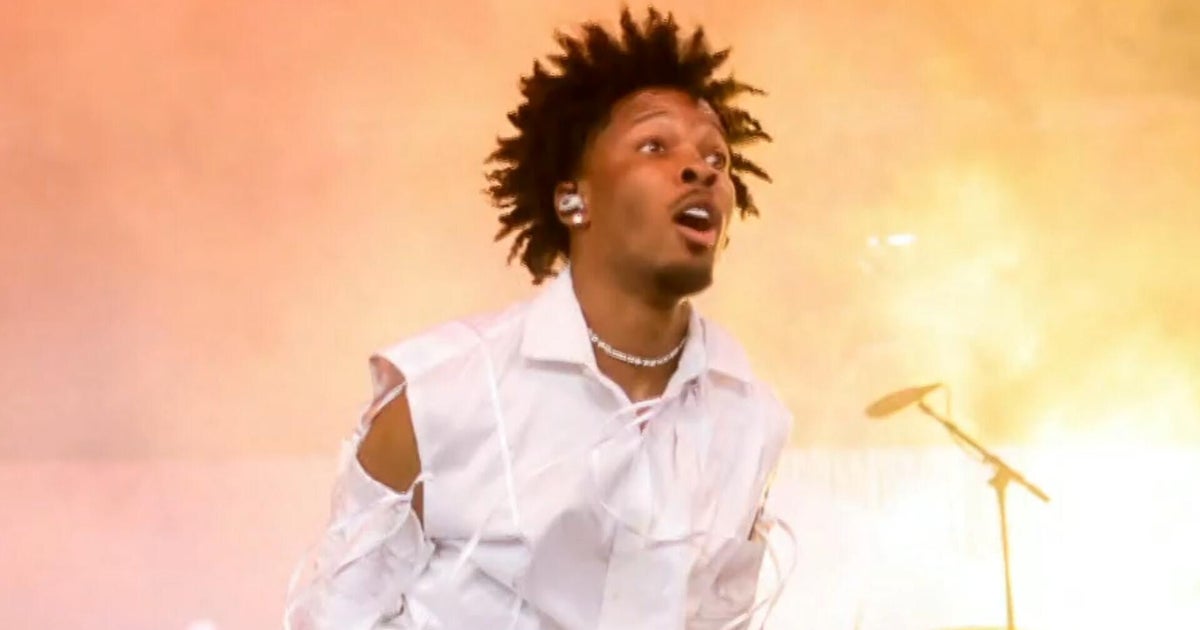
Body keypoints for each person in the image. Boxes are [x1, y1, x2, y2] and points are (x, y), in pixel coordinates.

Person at [284, 7, 794, 629]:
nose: (701, 169)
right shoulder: (442, 393)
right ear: (573, 200)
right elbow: (338, 614)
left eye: (718, 158)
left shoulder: (750, 419)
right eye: (654, 146)